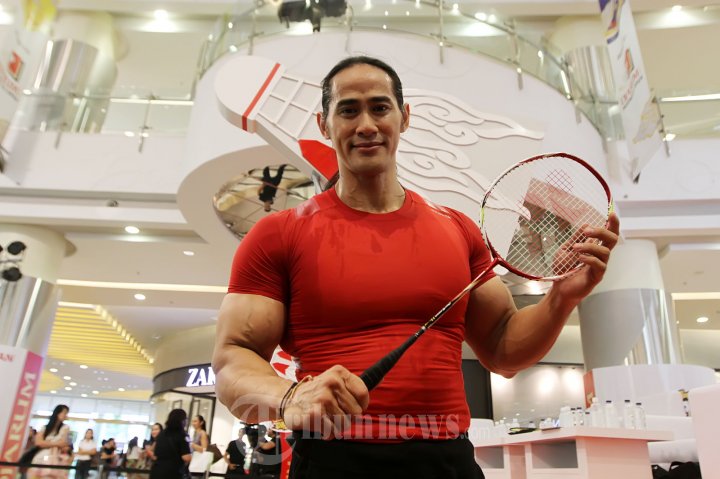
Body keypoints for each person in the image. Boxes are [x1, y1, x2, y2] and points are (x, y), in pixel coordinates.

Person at [212, 56, 620, 478]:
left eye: (380, 107)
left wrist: (561, 299)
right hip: (333, 460)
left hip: (446, 460)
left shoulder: (457, 229)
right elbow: (232, 358)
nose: (366, 125)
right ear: (323, 125)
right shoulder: (278, 234)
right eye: (348, 110)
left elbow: (503, 350)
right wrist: (290, 397)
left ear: (404, 118)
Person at [28, 404, 71, 479]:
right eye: (64, 412)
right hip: (41, 457)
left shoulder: (65, 428)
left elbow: (63, 443)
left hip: (56, 458)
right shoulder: (45, 428)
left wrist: (46, 442)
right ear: (57, 413)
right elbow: (38, 443)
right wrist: (56, 443)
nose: (65, 415)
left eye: (66, 413)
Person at [149, 409, 192, 479]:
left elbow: (155, 454)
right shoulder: (182, 435)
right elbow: (186, 457)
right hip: (173, 472)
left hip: (156, 471)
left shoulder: (161, 434)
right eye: (186, 419)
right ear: (182, 420)